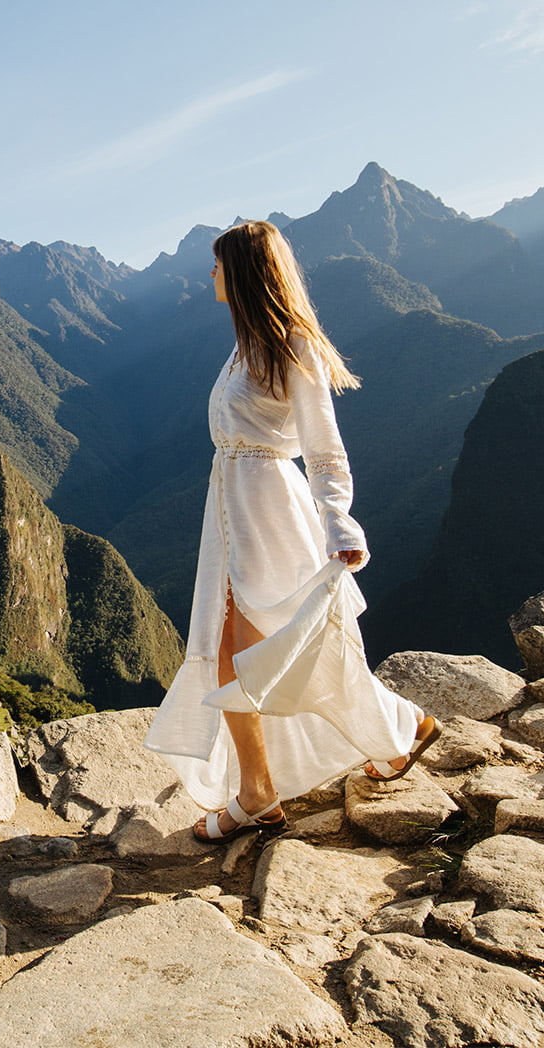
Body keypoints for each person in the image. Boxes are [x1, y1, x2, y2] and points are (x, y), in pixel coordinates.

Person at [143, 220, 438, 842]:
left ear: (244, 272)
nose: (211, 275)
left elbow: (325, 450)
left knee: (268, 654)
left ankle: (272, 787)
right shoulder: (246, 343)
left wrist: (339, 521)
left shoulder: (291, 345)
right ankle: (379, 736)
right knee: (250, 653)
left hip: (272, 514)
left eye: (218, 265)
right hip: (231, 513)